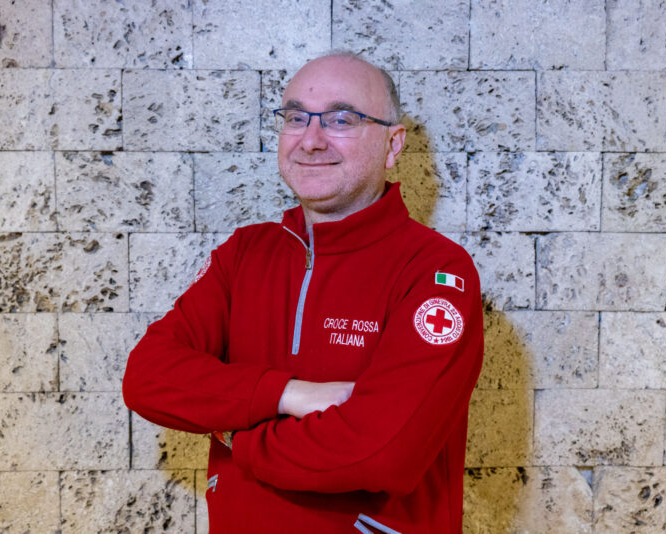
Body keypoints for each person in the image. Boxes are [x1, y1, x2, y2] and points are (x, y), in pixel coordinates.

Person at [123, 51, 484, 533]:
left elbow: (380, 454)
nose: (311, 141)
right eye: (296, 118)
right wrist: (287, 394)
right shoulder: (245, 253)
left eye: (341, 119)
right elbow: (147, 378)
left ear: (393, 144)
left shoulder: (435, 270)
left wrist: (234, 434)